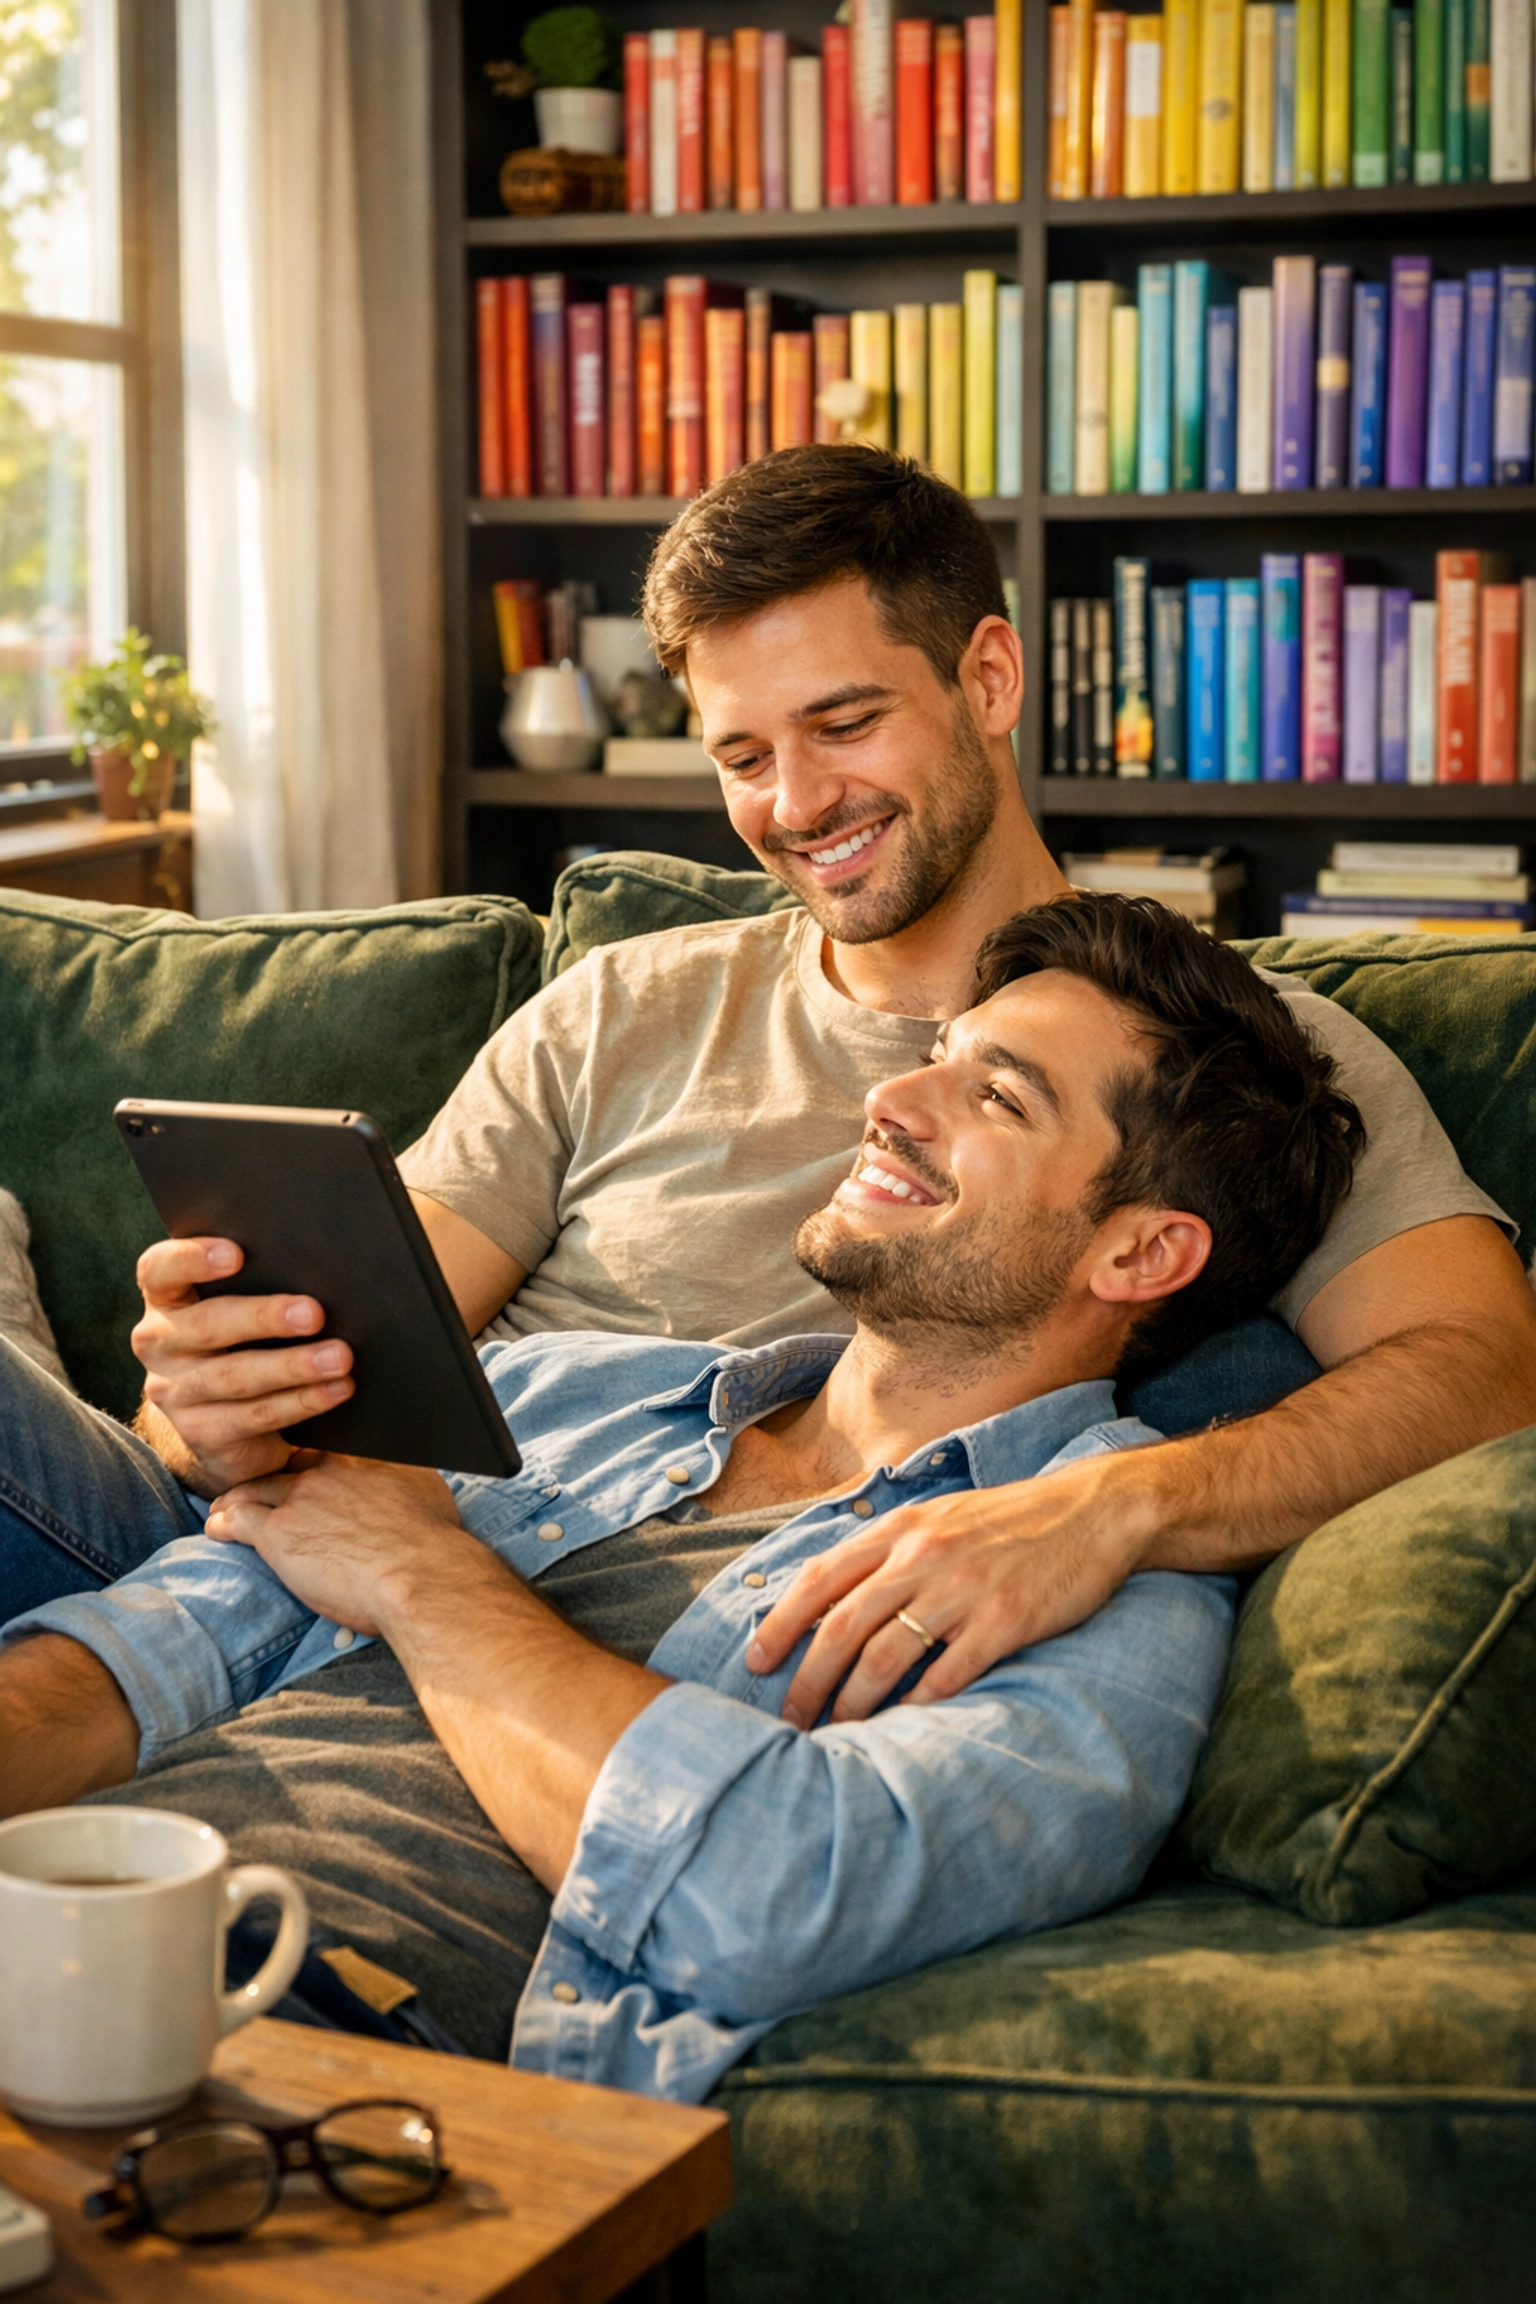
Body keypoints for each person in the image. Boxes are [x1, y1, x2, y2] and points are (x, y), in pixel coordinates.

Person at [4, 448, 1534, 1714]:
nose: (796, 805)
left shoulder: (1232, 1060)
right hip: (270, 1577)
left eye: (845, 724)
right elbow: (266, 1408)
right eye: (742, 756)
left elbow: (1490, 1375)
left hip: (566, 1671)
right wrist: (213, 1398)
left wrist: (1115, 1508)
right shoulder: (619, 1010)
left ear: (990, 676)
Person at [0, 898, 1362, 2099]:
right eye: (937, 1056)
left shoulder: (1116, 1603)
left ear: (1142, 1253)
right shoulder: (556, 1387)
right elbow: (152, 1645)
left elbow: (775, 1895)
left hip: (281, 2037)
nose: (896, 1099)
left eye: (998, 1098)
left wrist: (424, 1577)